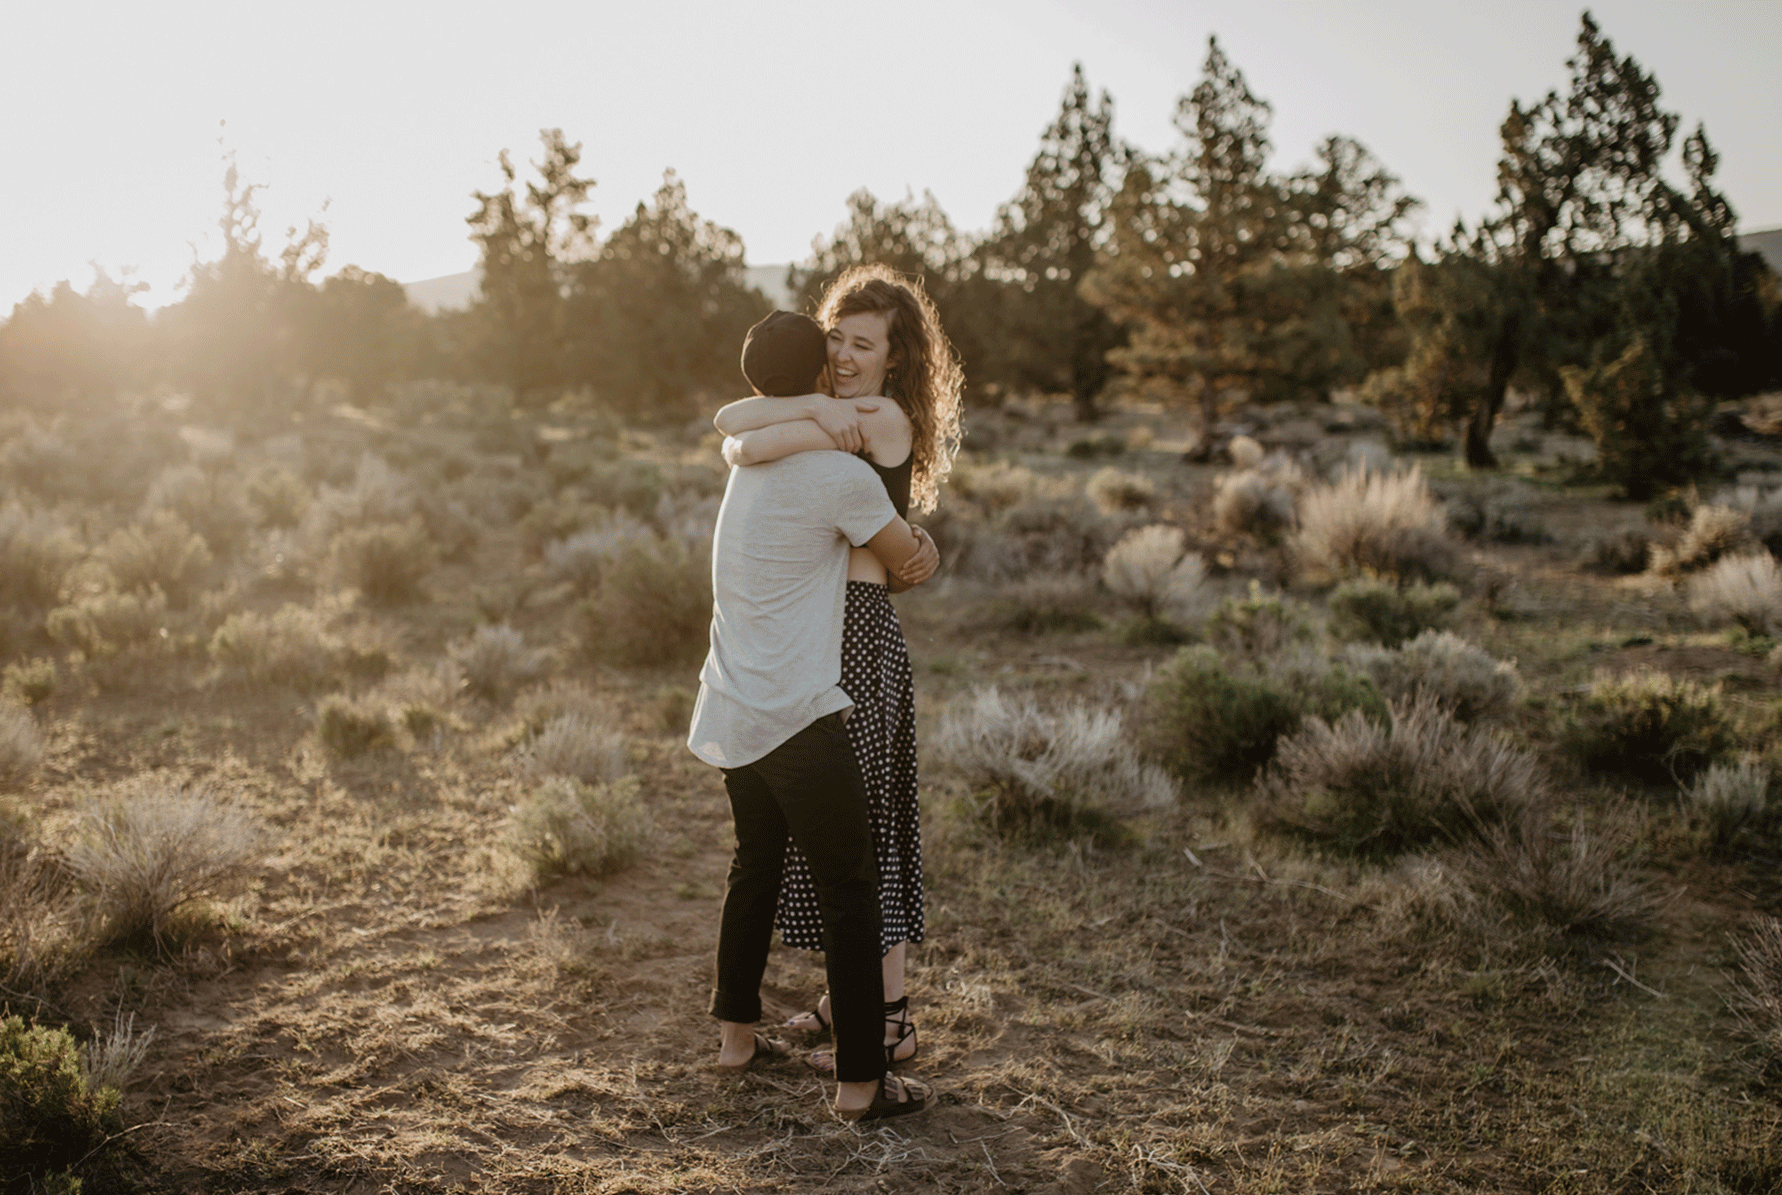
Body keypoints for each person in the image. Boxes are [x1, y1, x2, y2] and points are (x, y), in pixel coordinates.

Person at [711, 264, 964, 1074]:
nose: (845, 357)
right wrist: (807, 410)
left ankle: (888, 1020)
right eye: (836, 340)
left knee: (865, 833)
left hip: (855, 634)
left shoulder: (876, 417)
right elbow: (738, 423)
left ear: (896, 358)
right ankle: (845, 1003)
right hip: (826, 624)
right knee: (842, 832)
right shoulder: (834, 415)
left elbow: (746, 436)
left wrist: (799, 416)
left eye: (864, 345)